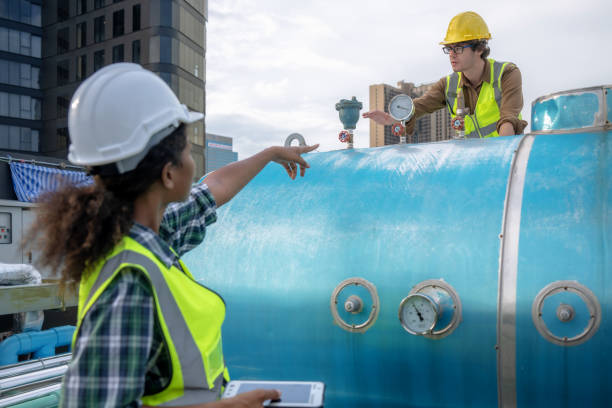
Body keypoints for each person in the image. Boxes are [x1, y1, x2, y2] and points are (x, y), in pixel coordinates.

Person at [27, 63, 318, 407]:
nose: (194, 164)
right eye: (187, 150)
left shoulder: (143, 235)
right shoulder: (129, 281)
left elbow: (214, 189)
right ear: (168, 174)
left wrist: (269, 154)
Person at [363, 11, 527, 139]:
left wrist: (503, 159)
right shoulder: (448, 85)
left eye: (459, 48)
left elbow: (508, 120)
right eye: (449, 48)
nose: (452, 54)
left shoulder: (506, 74)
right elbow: (419, 106)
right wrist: (391, 118)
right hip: (474, 163)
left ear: (480, 48)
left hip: (507, 159)